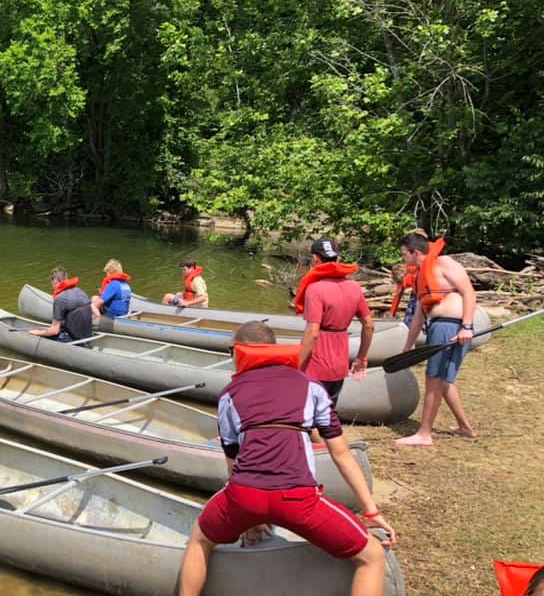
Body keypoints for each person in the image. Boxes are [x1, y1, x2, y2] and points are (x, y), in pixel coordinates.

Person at [177, 322, 396, 596]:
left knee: (199, 539)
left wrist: (250, 518)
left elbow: (234, 464)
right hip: (298, 499)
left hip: (244, 496)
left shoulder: (229, 395)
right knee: (371, 556)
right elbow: (341, 453)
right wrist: (371, 512)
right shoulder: (311, 387)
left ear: (238, 352)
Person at [395, 232, 478, 446]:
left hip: (451, 325)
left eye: (404, 254)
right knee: (444, 380)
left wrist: (467, 326)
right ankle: (465, 427)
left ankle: (424, 434)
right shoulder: (421, 275)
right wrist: (408, 345)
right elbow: (419, 315)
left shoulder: (443, 263)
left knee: (434, 378)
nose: (403, 258)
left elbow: (469, 292)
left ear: (415, 252)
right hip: (438, 325)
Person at [295, 238, 373, 417]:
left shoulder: (315, 289)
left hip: (316, 363)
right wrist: (362, 359)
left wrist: (296, 366)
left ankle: (317, 444)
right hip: (339, 364)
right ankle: (328, 444)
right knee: (328, 415)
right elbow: (369, 325)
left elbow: (313, 333)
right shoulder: (354, 287)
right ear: (337, 259)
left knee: (307, 416)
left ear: (315, 259)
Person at [29, 267, 93, 342]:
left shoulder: (60, 299)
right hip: (88, 336)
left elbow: (54, 331)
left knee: (41, 335)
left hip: (73, 340)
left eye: (52, 283)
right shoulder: (81, 292)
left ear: (55, 282)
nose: (52, 286)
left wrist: (38, 332)